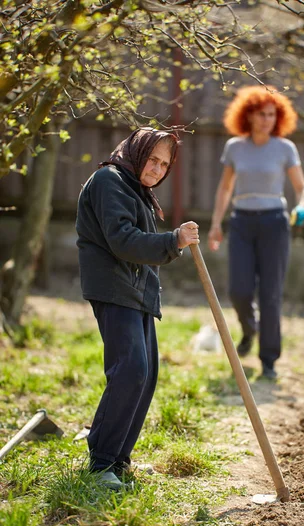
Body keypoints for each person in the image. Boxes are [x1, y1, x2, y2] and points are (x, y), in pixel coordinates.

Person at [76, 127, 199, 490]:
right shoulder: (109, 181)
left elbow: (140, 245)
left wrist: (169, 243)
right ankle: (100, 465)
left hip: (138, 291)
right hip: (114, 288)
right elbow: (123, 241)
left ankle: (118, 460)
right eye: (153, 159)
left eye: (165, 164)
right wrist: (173, 239)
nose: (158, 169)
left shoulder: (137, 190)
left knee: (145, 375)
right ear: (136, 151)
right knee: (130, 370)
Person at [208, 85, 304, 380]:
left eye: (271, 114)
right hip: (241, 222)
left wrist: (302, 206)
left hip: (274, 223)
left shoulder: (285, 148)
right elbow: (225, 188)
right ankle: (250, 328)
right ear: (248, 114)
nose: (267, 119)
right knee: (239, 290)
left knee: (270, 294)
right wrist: (216, 224)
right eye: (261, 114)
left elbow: (303, 187)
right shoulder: (235, 147)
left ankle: (268, 361)